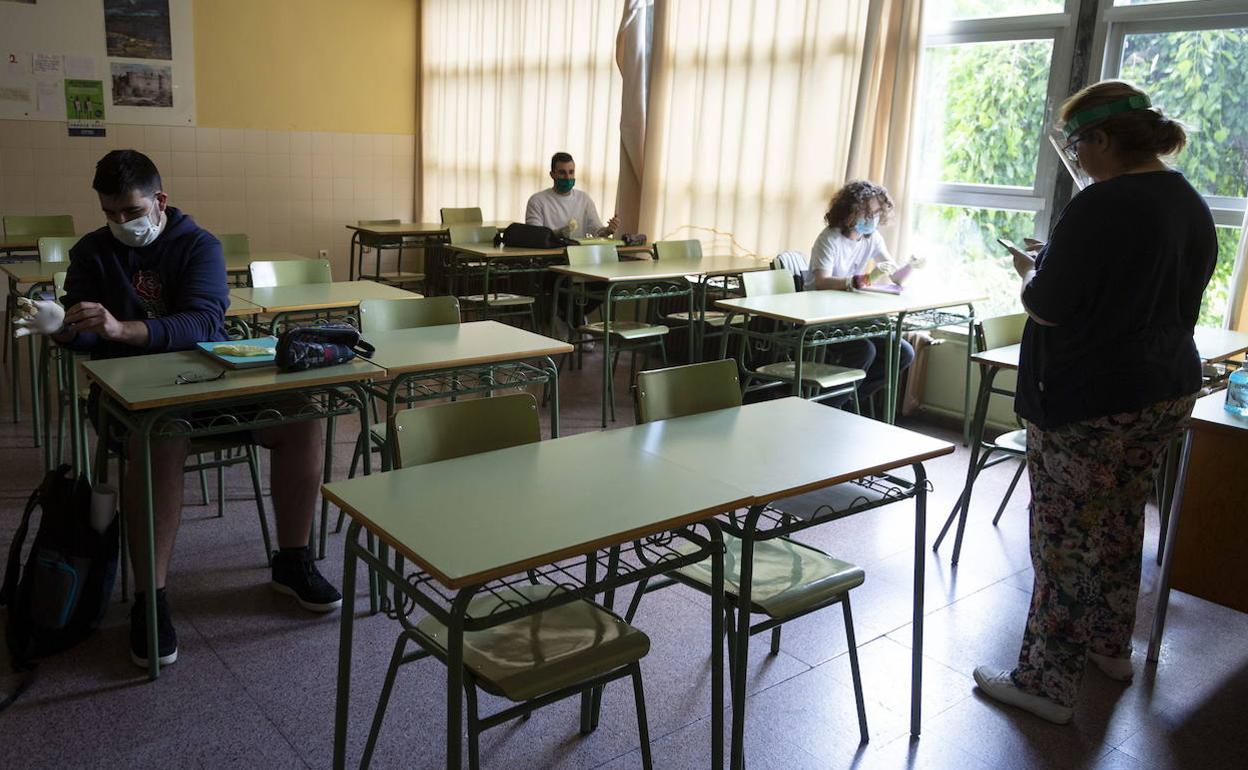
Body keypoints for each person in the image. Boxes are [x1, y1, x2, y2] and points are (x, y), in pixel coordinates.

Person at [16, 150, 341, 669]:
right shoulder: (91, 254)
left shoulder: (198, 245)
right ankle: (152, 596)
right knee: (160, 435)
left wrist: (124, 329)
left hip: (206, 379)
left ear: (159, 200)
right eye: (110, 214)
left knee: (300, 414)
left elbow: (202, 323)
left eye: (131, 211)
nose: (121, 223)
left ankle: (293, 559)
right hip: (128, 398)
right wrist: (62, 328)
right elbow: (84, 336)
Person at [973, 81, 1216, 724]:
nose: (1076, 157)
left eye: (1078, 144)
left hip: (1089, 399)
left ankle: (1045, 682)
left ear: (1106, 139)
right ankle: (1112, 646)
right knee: (1119, 517)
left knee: (1062, 535)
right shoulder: (1187, 199)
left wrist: (1030, 273)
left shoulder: (1102, 204)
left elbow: (1048, 307)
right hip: (1163, 390)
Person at [809, 180, 919, 407]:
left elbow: (895, 276)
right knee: (864, 351)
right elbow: (821, 281)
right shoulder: (829, 238)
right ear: (850, 211)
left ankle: (850, 399)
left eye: (876, 213)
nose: (872, 218)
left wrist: (912, 265)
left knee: (903, 352)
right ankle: (829, 408)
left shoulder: (873, 239)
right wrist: (857, 281)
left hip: (851, 317)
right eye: (866, 212)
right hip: (822, 317)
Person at [525, 151, 620, 239]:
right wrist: (559, 233)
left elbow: (598, 232)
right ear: (552, 174)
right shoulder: (537, 200)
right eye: (562, 173)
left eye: (571, 172)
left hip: (578, 255)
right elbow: (535, 237)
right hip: (549, 256)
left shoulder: (584, 199)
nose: (567, 177)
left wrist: (608, 230)